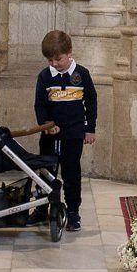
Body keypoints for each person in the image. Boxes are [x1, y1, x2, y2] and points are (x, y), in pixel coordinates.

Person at [33, 30, 97, 232]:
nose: (54, 63)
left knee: (71, 173)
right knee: (46, 172)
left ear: (69, 52)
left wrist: (90, 129)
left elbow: (91, 102)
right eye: (50, 60)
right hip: (50, 135)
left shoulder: (82, 74)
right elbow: (40, 105)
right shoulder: (44, 77)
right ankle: (42, 208)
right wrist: (46, 124)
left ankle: (72, 212)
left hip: (74, 134)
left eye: (58, 59)